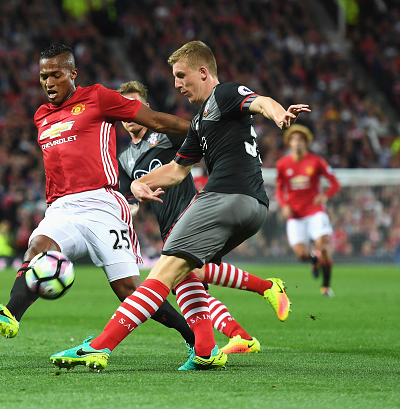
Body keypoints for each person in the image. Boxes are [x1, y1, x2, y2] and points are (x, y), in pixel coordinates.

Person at [51, 40, 310, 371]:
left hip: (222, 199)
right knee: (188, 271)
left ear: (203, 72)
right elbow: (176, 170)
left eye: (181, 75)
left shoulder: (223, 94)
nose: (176, 84)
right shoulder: (199, 122)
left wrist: (278, 113)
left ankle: (100, 346)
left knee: (161, 275)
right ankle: (204, 349)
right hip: (253, 208)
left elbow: (259, 102)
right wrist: (140, 183)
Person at [0, 43, 200, 350]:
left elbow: (155, 120)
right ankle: (10, 314)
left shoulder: (98, 97)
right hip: (61, 208)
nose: (48, 82)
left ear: (72, 73)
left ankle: (193, 338)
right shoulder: (41, 116)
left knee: (129, 290)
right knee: (37, 249)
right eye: (43, 76)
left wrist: (201, 130)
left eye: (55, 75)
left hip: (102, 204)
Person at [117, 80, 298, 354]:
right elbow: (132, 202)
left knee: (190, 275)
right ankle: (238, 336)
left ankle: (264, 289)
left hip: (192, 213)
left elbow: (196, 139)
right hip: (167, 223)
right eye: (124, 110)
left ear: (146, 108)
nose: (130, 115)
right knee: (189, 288)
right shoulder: (126, 159)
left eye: (135, 107)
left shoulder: (165, 134)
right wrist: (129, 210)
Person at [276, 124, 340, 296]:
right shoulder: (282, 164)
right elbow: (279, 188)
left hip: (315, 211)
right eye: (294, 140)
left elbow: (335, 183)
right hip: (295, 216)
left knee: (322, 246)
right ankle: (313, 260)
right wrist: (284, 205)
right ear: (289, 143)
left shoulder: (316, 161)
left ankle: (326, 286)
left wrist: (324, 196)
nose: (297, 143)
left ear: (306, 142)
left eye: (301, 140)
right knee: (301, 254)